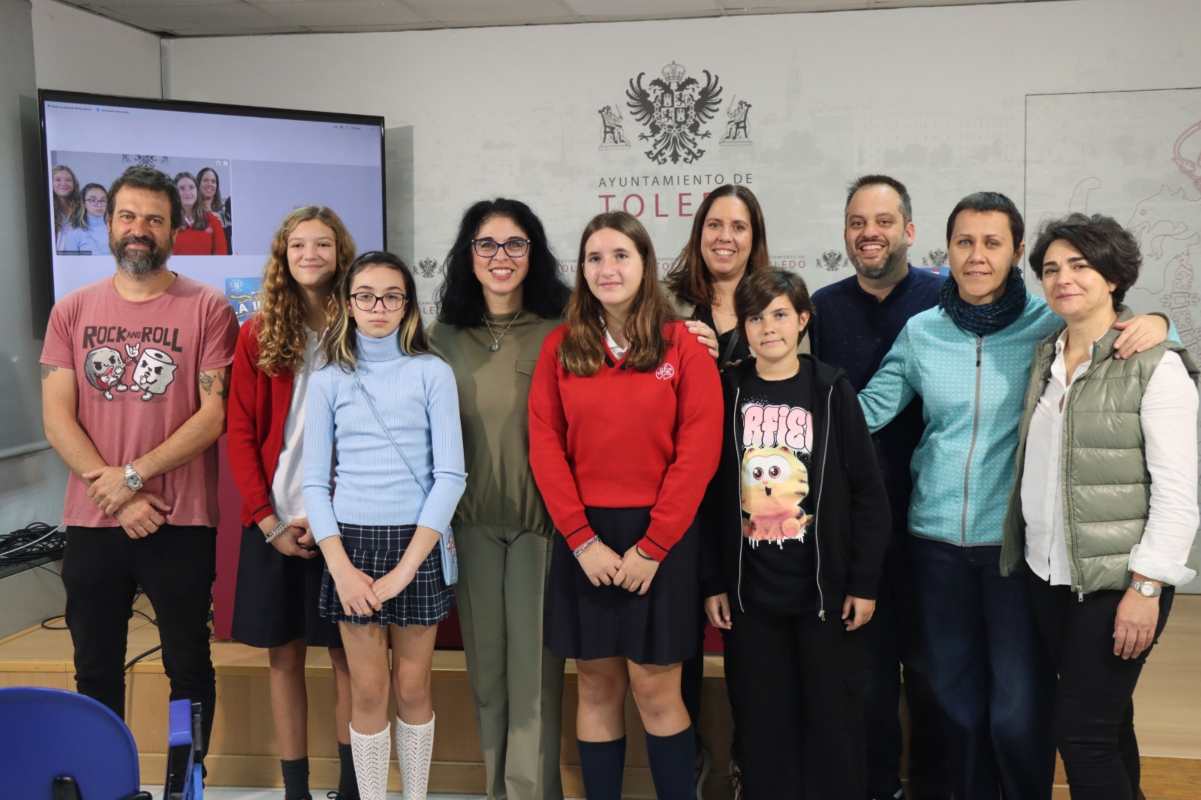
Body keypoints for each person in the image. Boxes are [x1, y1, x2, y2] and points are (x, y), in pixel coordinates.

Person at [857, 191, 1171, 800]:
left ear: (1017, 253)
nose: (977, 256)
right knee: (953, 698)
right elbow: (867, 411)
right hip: (935, 544)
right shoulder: (920, 332)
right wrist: (778, 391)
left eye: (993, 243)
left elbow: (1120, 330)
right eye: (964, 243)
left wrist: (1165, 324)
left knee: (1017, 705)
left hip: (1015, 553)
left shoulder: (1048, 324)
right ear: (944, 252)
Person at [40, 165, 239, 763]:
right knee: (94, 665)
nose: (139, 229)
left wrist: (132, 475)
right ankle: (106, 779)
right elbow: (56, 418)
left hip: (180, 520)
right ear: (108, 222)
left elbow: (213, 415)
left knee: (188, 664)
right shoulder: (71, 310)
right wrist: (122, 494)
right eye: (128, 216)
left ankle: (186, 780)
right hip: (95, 519)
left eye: (154, 219)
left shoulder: (207, 308)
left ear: (175, 229)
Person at [1002, 213, 1199, 800]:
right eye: (1051, 268)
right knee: (1109, 727)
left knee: (1082, 736)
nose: (1063, 278)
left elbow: (1179, 491)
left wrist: (1146, 587)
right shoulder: (1046, 356)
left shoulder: (1153, 364)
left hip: (1117, 582)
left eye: (1080, 265)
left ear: (1113, 276)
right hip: (1050, 577)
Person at [528, 211, 722, 800]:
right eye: (594, 258)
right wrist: (581, 541)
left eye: (620, 256)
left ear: (645, 265)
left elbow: (699, 452)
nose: (607, 269)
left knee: (657, 691)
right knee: (595, 686)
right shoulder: (561, 347)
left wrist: (653, 545)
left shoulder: (682, 345)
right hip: (585, 539)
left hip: (659, 539)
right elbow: (544, 446)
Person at [701, 267, 890, 799]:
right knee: (763, 729)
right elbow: (708, 493)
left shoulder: (831, 391)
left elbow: (868, 495)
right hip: (750, 597)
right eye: (756, 317)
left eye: (780, 315)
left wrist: (864, 582)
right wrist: (713, 580)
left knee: (834, 726)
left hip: (823, 598)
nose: (768, 328)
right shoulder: (727, 391)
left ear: (803, 320)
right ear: (743, 325)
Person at [303, 251, 466, 800]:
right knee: (368, 691)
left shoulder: (432, 373)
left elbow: (450, 477)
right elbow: (313, 485)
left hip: (415, 543)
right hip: (350, 545)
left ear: (407, 305)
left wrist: (404, 570)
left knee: (413, 686)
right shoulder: (327, 379)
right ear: (348, 304)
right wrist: (341, 568)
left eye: (391, 296)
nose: (378, 307)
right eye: (366, 296)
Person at [809, 174, 947, 800]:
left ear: (910, 231)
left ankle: (932, 786)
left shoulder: (947, 299)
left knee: (931, 673)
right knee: (862, 677)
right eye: (858, 222)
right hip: (854, 527)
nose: (870, 233)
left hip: (934, 521)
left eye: (884, 221)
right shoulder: (822, 307)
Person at [428, 198, 571, 800]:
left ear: (533, 254)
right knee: (487, 673)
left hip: (544, 526)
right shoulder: (441, 337)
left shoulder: (564, 327)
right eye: (486, 245)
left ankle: (532, 793)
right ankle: (498, 790)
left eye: (515, 244)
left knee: (535, 674)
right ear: (468, 256)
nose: (500, 257)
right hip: (471, 527)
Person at [227, 206, 359, 800]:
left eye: (322, 244)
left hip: (348, 522)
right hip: (276, 524)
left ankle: (353, 785)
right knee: (284, 658)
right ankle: (297, 789)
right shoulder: (258, 333)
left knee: (348, 658)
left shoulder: (362, 324)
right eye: (298, 244)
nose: (310, 254)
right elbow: (240, 434)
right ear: (283, 254)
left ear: (340, 253)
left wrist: (331, 519)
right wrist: (268, 521)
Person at [665, 183, 770, 797]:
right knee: (677, 644)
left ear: (755, 238)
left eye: (738, 226)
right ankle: (688, 768)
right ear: (698, 231)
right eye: (714, 225)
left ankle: (748, 770)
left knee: (751, 649)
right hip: (682, 496)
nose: (724, 237)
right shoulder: (666, 301)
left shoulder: (774, 303)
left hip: (759, 501)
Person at [174, 171, 229, 256]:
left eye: (191, 187)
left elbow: (221, 256)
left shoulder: (213, 220)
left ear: (197, 191)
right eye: (181, 188)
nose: (187, 192)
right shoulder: (167, 222)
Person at [60, 183, 112, 255]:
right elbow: (69, 263)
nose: (99, 204)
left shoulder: (115, 230)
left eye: (103, 200)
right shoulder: (74, 232)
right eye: (92, 200)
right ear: (84, 203)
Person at [52, 164, 85, 253]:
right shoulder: (49, 209)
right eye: (58, 180)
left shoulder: (83, 207)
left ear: (74, 183)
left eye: (68, 180)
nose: (63, 183)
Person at [197, 166, 232, 248]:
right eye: (205, 180)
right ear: (198, 184)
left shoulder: (224, 214)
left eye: (213, 181)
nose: (210, 184)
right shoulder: (191, 213)